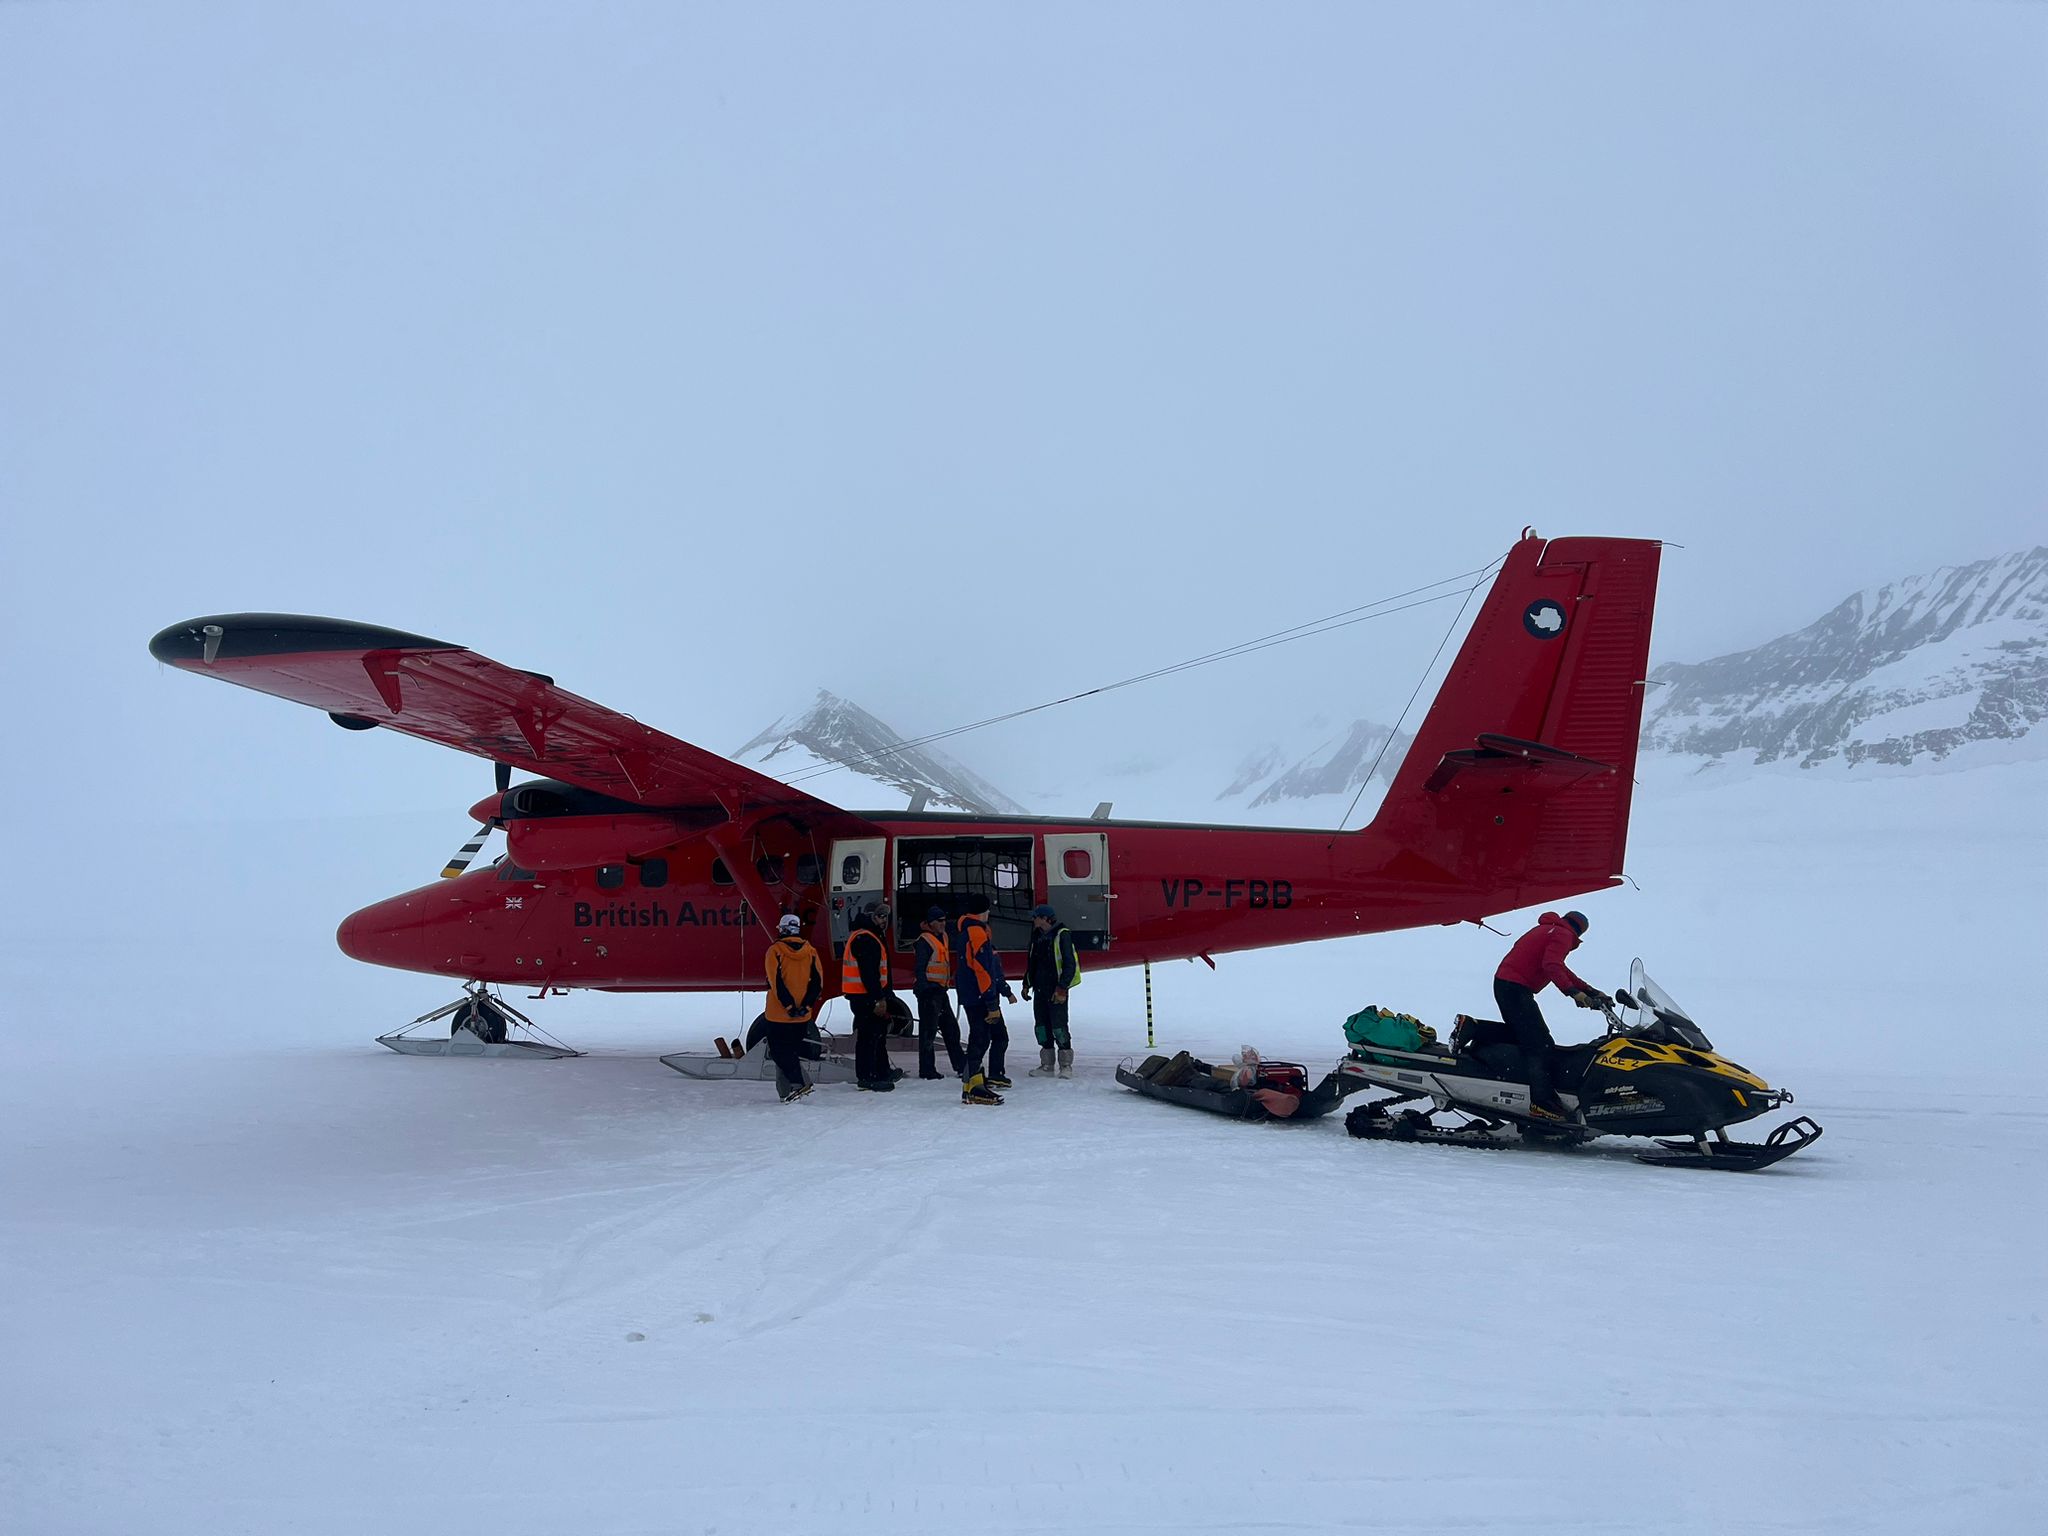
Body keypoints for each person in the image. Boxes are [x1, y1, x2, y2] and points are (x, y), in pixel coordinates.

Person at [1493, 909, 1612, 1120]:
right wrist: (1573, 993)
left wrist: (1591, 991)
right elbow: (1551, 966)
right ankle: (1542, 1104)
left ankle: (1473, 1028)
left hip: (1506, 984)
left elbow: (1561, 969)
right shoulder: (1562, 935)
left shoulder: (1547, 929)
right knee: (1540, 1045)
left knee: (1523, 1034)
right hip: (1515, 987)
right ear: (1580, 931)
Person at [954, 893, 1015, 1104]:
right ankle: (972, 1087)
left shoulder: (967, 931)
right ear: (984, 911)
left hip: (973, 994)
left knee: (982, 1037)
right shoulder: (976, 932)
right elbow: (982, 970)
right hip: (979, 996)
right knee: (979, 1039)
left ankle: (974, 1083)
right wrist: (991, 1002)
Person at [840, 899, 902, 1091]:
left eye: (885, 916)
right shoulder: (865, 938)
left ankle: (882, 1070)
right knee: (868, 1037)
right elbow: (869, 973)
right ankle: (867, 1077)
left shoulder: (871, 936)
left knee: (878, 1034)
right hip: (865, 997)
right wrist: (878, 998)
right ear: (870, 917)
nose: (884, 920)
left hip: (868, 996)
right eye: (880, 916)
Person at [761, 913, 823, 1103]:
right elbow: (817, 982)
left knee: (779, 1052)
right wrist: (805, 1005)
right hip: (802, 1016)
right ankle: (786, 1091)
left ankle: (798, 1083)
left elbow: (776, 982)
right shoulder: (811, 951)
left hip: (778, 1014)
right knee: (790, 1051)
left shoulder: (775, 951)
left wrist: (788, 1005)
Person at [1021, 903, 1081, 1078]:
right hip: (1040, 989)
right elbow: (1032, 963)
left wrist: (1062, 987)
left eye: (1036, 917)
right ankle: (1046, 1065)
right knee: (1041, 1026)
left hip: (1056, 990)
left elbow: (1070, 964)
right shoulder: (1037, 937)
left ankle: (1065, 1065)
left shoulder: (1062, 936)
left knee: (1059, 1026)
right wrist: (1026, 983)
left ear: (1045, 919)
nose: (1033, 920)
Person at [913, 905, 967, 1080]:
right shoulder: (924, 941)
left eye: (944, 920)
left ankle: (960, 1065)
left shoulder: (942, 937)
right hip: (929, 992)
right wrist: (923, 989)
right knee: (928, 1032)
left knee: (951, 1029)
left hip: (940, 991)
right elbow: (920, 968)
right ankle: (927, 1070)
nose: (943, 924)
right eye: (939, 921)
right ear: (930, 923)